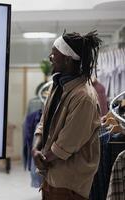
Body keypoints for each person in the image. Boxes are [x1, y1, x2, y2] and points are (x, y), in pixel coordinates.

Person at [31, 31, 102, 200]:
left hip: (69, 184)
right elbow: (43, 120)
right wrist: (35, 148)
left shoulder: (84, 97)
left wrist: (42, 158)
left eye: (54, 53)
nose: (50, 57)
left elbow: (66, 145)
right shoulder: (59, 85)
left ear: (68, 60)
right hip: (51, 176)